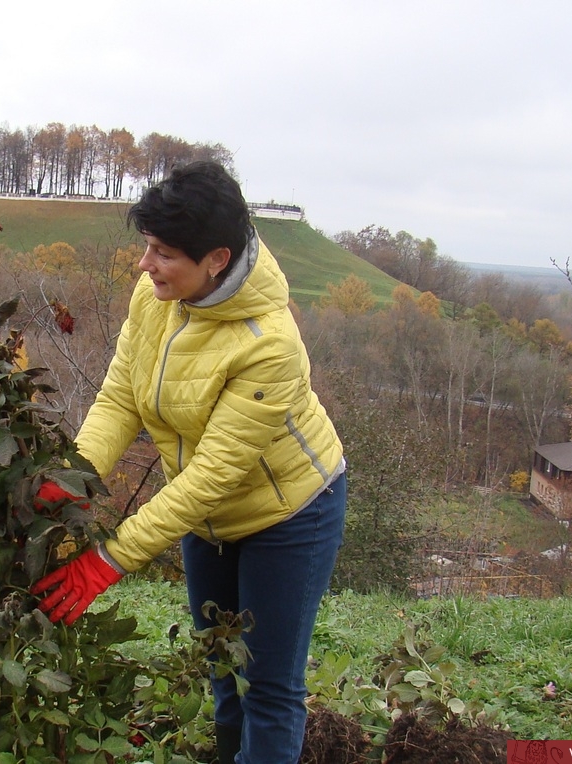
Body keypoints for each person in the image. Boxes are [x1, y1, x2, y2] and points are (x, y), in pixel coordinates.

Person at [32, 160, 347, 764]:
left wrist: (109, 558)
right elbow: (121, 394)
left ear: (217, 259)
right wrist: (75, 478)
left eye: (164, 253)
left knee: (269, 686)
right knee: (221, 669)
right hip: (204, 516)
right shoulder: (156, 296)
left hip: (290, 514)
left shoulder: (269, 344)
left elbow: (214, 474)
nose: (145, 264)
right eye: (146, 246)